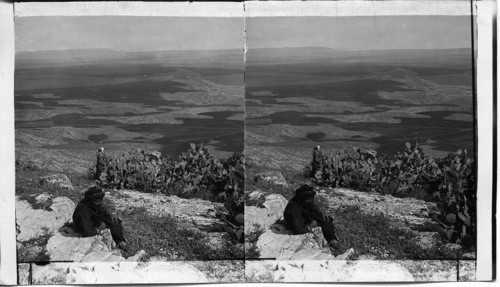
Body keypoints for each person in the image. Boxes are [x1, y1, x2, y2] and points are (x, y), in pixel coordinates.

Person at [284, 184, 339, 250]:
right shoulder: (294, 208)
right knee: (319, 223)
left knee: (324, 220)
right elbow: (298, 229)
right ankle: (330, 241)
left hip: (303, 218)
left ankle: (331, 239)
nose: (310, 201)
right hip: (295, 225)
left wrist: (321, 216)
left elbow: (314, 211)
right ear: (302, 198)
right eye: (308, 199)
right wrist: (310, 226)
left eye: (311, 199)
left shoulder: (305, 202)